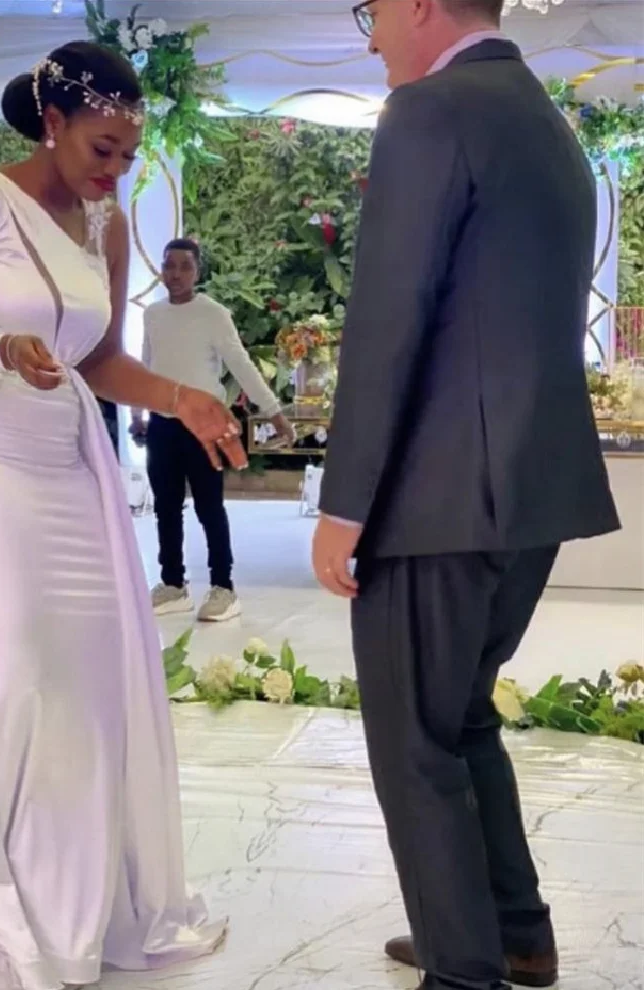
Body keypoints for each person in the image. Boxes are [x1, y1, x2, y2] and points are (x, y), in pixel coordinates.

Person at [0, 41, 241, 990]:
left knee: (86, 677)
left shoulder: (104, 225)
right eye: (101, 150)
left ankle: (68, 905)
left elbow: (100, 359)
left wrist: (184, 400)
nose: (114, 171)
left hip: (63, 466)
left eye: (128, 154)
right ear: (53, 124)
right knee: (23, 660)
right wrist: (0, 347)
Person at [312, 3, 619, 990]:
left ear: (417, 4)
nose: (370, 38)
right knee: (459, 716)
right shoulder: (546, 121)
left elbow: (387, 316)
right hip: (533, 486)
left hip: (438, 495)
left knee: (414, 741)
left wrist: (342, 504)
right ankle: (512, 932)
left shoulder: (429, 110)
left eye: (372, 12)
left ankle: (463, 970)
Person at [132, 238, 294, 622]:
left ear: (198, 271)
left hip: (205, 425)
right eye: (169, 265)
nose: (175, 274)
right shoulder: (153, 314)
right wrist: (138, 412)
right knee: (166, 507)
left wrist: (274, 412)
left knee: (209, 506)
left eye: (184, 266)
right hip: (163, 424)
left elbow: (241, 364)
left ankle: (223, 586)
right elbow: (146, 365)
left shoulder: (214, 314)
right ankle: (173, 583)